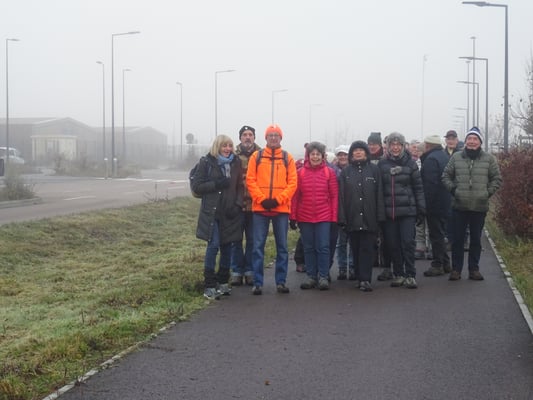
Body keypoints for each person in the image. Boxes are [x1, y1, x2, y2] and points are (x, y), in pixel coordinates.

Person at [442, 127, 502, 281]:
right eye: (469, 138)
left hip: (479, 206)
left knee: (475, 240)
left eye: (475, 139)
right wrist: (454, 190)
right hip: (459, 206)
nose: (472, 141)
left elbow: (496, 179)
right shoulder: (456, 157)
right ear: (465, 141)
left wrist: (486, 193)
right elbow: (446, 176)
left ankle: (474, 269)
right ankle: (456, 270)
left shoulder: (489, 159)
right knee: (457, 240)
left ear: (480, 142)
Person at [246, 124, 297, 295]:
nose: (273, 138)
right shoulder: (256, 156)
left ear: (281, 138)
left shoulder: (287, 158)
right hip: (260, 209)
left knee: (282, 247)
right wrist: (262, 199)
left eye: (276, 135)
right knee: (257, 247)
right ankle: (257, 283)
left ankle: (281, 282)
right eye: (270, 135)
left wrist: (277, 200)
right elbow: (250, 180)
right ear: (266, 138)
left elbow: (293, 183)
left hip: (281, 209)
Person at [192, 134, 244, 300]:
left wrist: (238, 205)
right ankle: (209, 284)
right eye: (224, 146)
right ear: (217, 147)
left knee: (227, 247)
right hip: (212, 213)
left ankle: (222, 282)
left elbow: (240, 186)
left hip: (230, 213)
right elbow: (197, 186)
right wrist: (216, 184)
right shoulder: (206, 162)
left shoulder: (236, 163)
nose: (228, 149)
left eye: (230, 146)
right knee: (213, 246)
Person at [378, 132, 426, 289]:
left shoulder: (411, 164)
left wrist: (421, 209)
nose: (395, 147)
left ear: (403, 146)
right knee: (393, 245)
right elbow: (378, 190)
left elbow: (418, 188)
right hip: (389, 212)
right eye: (392, 144)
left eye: (398, 144)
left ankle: (410, 274)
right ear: (388, 146)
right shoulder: (382, 165)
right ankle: (398, 273)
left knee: (408, 243)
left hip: (408, 211)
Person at [290, 141, 338, 290]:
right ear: (308, 156)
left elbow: (334, 196)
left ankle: (323, 276)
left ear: (322, 156)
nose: (315, 157)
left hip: (324, 216)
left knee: (323, 247)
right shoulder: (300, 173)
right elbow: (295, 197)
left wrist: (334, 217)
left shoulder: (329, 172)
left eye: (318, 154)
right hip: (305, 217)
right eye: (313, 154)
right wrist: (293, 216)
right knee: (308, 247)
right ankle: (311, 276)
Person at [338, 141, 385, 292]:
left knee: (367, 249)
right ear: (352, 154)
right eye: (355, 150)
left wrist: (380, 216)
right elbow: (341, 197)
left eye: (361, 150)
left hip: (370, 217)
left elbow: (379, 194)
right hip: (352, 217)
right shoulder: (346, 172)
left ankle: (365, 279)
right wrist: (342, 218)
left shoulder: (374, 170)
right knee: (356, 248)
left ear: (366, 152)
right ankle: (359, 277)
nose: (358, 152)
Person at [230, 125, 261, 287]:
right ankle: (236, 271)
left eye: (250, 134)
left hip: (256, 206)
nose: (247, 137)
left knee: (252, 240)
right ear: (240, 138)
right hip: (237, 205)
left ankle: (250, 271)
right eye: (244, 135)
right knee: (235, 239)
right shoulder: (233, 156)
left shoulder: (261, 155)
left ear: (254, 137)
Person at [420, 135, 452, 277]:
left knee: (436, 235)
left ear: (428, 145)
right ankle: (445, 263)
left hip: (435, 204)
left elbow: (430, 185)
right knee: (440, 233)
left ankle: (437, 264)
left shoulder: (431, 160)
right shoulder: (444, 156)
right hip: (445, 201)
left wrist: (425, 205)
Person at [331, 145, 354, 280]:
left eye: (345, 155)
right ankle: (342, 267)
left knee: (352, 241)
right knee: (341, 242)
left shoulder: (353, 169)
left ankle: (352, 267)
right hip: (338, 210)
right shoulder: (333, 171)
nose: (343, 157)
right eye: (340, 155)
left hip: (352, 209)